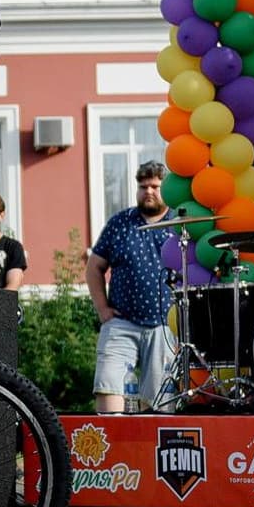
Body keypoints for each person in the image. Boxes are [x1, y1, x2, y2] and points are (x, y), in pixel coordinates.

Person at [87, 162, 174, 414]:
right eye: (143, 186)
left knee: (159, 400)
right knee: (108, 385)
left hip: (164, 324)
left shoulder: (180, 224)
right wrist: (102, 309)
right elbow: (94, 267)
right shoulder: (120, 223)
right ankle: (112, 443)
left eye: (155, 186)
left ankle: (148, 450)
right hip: (121, 321)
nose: (148, 191)